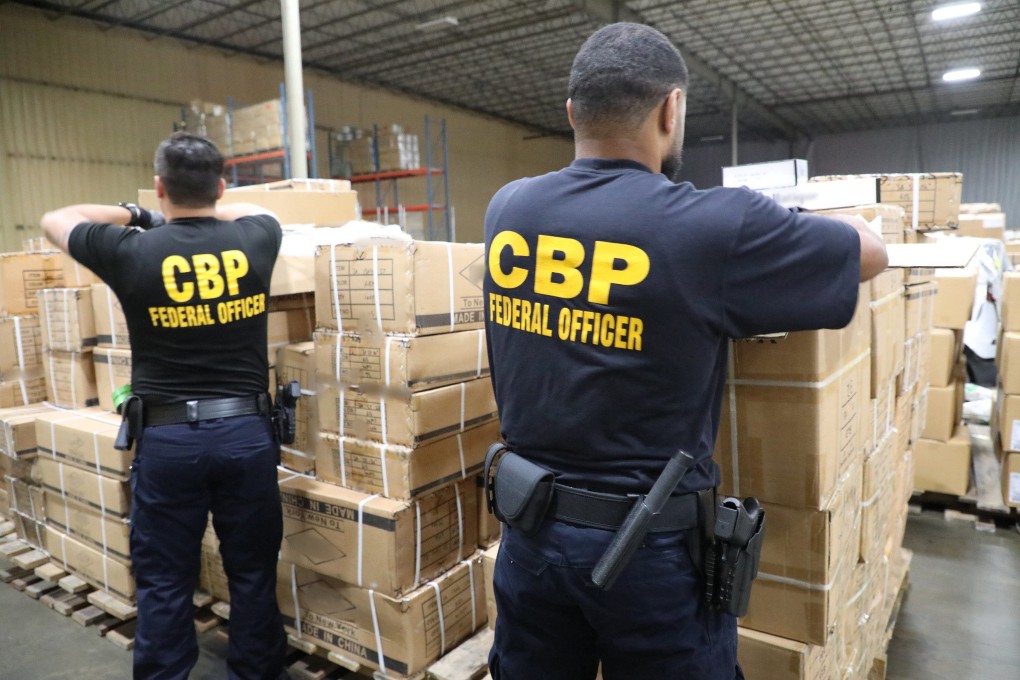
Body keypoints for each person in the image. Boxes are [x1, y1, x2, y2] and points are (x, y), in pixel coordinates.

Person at [482, 22, 887, 680]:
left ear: (571, 114)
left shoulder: (508, 210)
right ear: (671, 109)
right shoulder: (709, 228)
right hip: (647, 557)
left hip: (529, 538)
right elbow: (870, 252)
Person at [41, 132, 289, 680]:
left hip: (170, 443)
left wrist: (138, 215)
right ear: (220, 186)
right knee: (251, 574)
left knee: (165, 581)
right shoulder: (256, 239)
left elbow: (56, 217)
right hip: (245, 436)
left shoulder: (131, 249)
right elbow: (259, 209)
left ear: (159, 188)